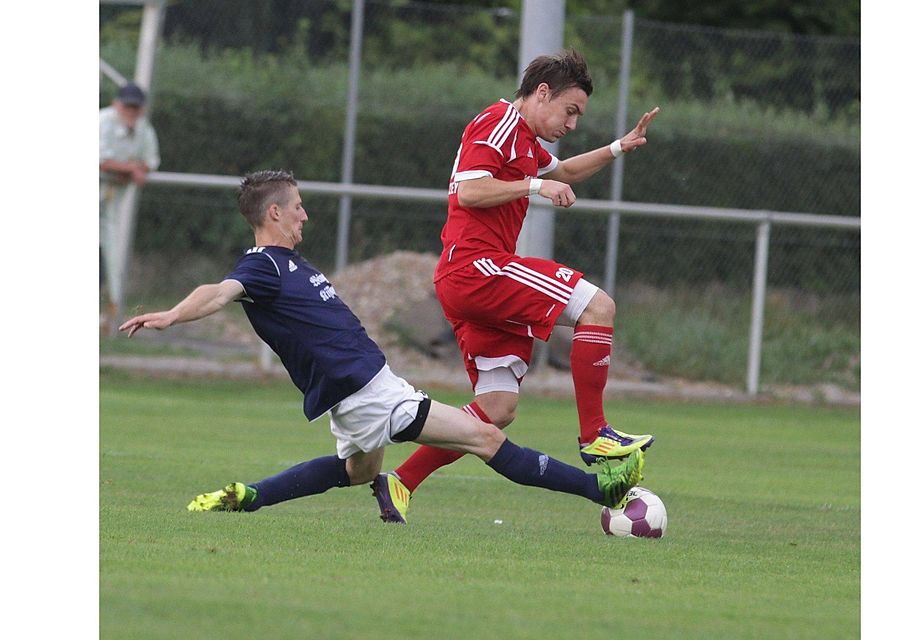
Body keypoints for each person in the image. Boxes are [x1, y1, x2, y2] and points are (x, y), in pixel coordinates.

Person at [118, 170, 650, 521]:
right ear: (274, 214)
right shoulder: (262, 265)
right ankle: (598, 491)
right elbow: (220, 291)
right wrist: (171, 315)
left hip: (363, 391)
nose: (305, 214)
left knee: (359, 472)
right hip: (368, 394)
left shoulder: (290, 265)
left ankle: (252, 496)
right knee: (485, 437)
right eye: (298, 206)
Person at [376, 49, 660, 524]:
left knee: (497, 408)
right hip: (477, 268)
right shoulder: (500, 121)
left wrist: (617, 148)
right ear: (542, 93)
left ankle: (401, 481)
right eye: (570, 111)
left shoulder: (527, 142)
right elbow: (469, 189)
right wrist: (534, 187)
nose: (572, 124)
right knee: (598, 306)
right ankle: (595, 433)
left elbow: (565, 171)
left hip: (471, 282)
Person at [100, 82, 161, 335]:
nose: (131, 110)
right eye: (127, 105)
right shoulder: (103, 121)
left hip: (116, 202)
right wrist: (129, 169)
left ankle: (112, 316)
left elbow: (151, 161)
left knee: (114, 255)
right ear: (117, 104)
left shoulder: (144, 128)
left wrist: (132, 169)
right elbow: (101, 161)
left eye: (136, 107)